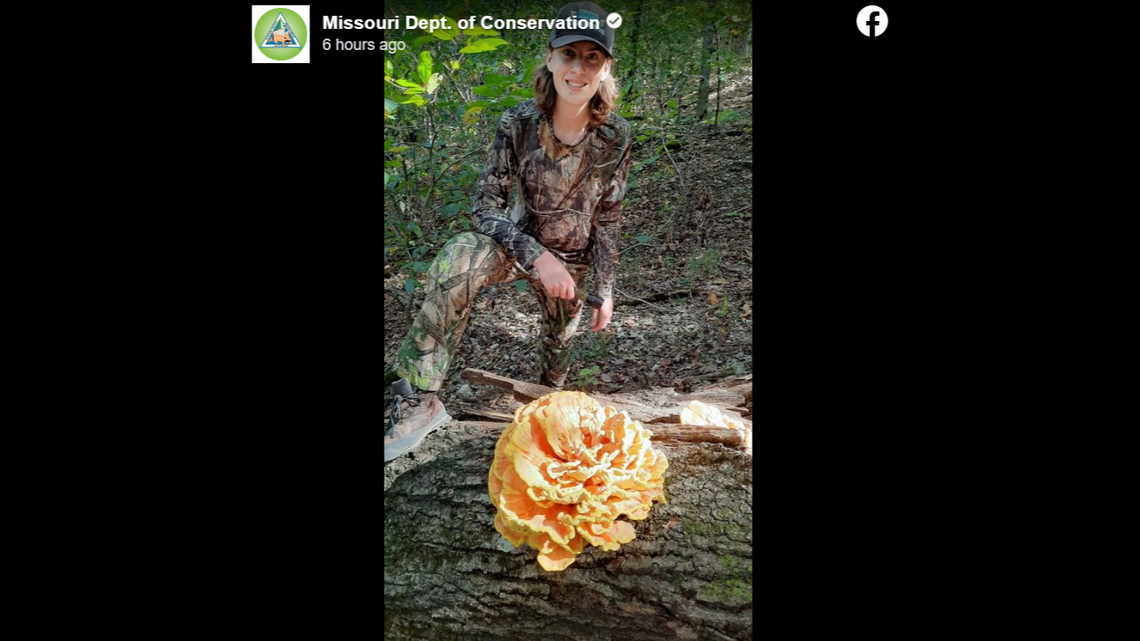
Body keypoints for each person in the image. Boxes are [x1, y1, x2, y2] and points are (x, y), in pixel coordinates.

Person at [385, 1, 632, 462]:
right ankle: (421, 399)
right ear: (550, 58)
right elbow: (485, 209)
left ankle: (546, 424)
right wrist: (539, 257)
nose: (578, 68)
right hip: (518, 248)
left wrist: (605, 287)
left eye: (592, 57)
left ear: (605, 68)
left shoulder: (615, 136)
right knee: (460, 255)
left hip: (575, 264)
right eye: (568, 54)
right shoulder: (519, 123)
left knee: (557, 361)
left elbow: (609, 216)